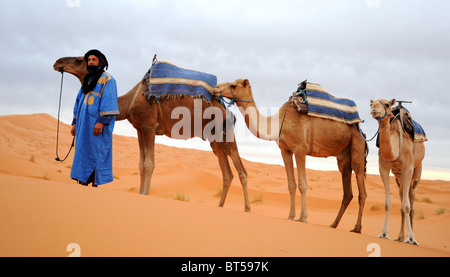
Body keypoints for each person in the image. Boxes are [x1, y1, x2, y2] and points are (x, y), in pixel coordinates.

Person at [70, 49, 119, 187]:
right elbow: (78, 101)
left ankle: (93, 189)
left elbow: (109, 101)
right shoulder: (87, 79)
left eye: (94, 60)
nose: (91, 62)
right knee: (83, 152)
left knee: (96, 153)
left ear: (100, 62)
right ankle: (82, 185)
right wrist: (74, 122)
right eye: (89, 60)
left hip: (97, 125)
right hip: (83, 125)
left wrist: (102, 122)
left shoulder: (108, 80)